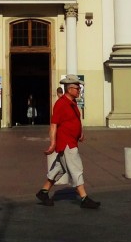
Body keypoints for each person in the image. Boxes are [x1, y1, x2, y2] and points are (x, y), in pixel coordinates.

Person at [36, 74, 100, 209]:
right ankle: (84, 198)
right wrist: (53, 144)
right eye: (77, 88)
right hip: (66, 143)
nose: (79, 90)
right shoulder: (61, 104)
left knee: (59, 169)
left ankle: (43, 192)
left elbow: (74, 120)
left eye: (79, 88)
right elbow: (53, 125)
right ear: (69, 89)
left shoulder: (72, 102)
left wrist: (80, 133)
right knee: (76, 168)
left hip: (72, 140)